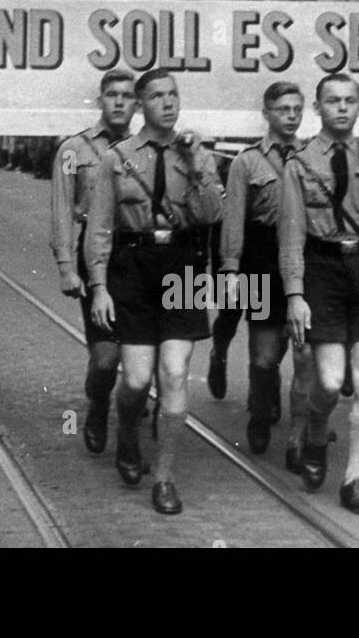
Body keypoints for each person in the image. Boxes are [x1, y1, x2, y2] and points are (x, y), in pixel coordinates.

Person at [84, 68, 223, 515]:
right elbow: (99, 227)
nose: (168, 103)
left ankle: (164, 479)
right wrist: (100, 287)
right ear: (141, 105)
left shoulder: (198, 155)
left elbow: (211, 213)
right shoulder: (117, 157)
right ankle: (127, 426)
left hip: (182, 266)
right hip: (132, 269)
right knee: (138, 381)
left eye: (174, 94)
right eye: (158, 96)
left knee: (175, 373)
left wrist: (199, 162)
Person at [279, 73, 359, 516]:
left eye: (349, 101)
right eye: (332, 101)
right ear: (318, 107)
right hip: (322, 270)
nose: (341, 108)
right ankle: (316, 435)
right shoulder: (300, 163)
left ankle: (355, 479)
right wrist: (295, 294)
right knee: (331, 384)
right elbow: (292, 234)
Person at [218, 82, 315, 463]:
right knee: (264, 355)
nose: (290, 116)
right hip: (261, 258)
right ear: (267, 114)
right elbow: (234, 218)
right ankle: (260, 413)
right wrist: (230, 269)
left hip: (307, 257)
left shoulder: (313, 155)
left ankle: (303, 426)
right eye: (282, 109)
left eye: (296, 108)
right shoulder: (247, 162)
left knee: (306, 351)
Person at [49, 69, 137, 456]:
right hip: (95, 256)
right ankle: (99, 402)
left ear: (137, 103)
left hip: (142, 256)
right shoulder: (74, 151)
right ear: (99, 100)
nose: (119, 102)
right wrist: (67, 267)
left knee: (141, 356)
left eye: (127, 95)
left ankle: (132, 432)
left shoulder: (149, 148)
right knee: (105, 360)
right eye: (112, 95)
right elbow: (61, 209)